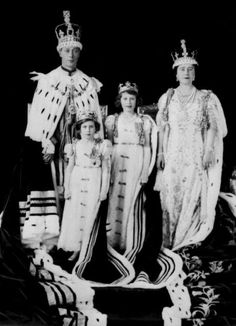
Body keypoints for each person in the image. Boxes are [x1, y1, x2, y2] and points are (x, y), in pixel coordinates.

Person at [21, 10, 104, 249]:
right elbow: (38, 119)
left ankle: (77, 238)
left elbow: (95, 120)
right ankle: (52, 235)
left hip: (80, 143)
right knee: (52, 178)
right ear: (59, 52)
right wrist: (47, 141)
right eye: (67, 50)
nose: (71, 54)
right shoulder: (47, 81)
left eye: (75, 50)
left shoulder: (87, 83)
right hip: (55, 142)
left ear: (80, 52)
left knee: (78, 185)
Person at [155, 39, 227, 250]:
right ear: (176, 74)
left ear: (194, 73)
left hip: (196, 153)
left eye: (189, 69)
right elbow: (163, 127)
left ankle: (187, 242)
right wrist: (160, 152)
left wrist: (209, 150)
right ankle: (169, 244)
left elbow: (213, 127)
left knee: (193, 194)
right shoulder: (167, 98)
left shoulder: (206, 97)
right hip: (174, 153)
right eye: (182, 69)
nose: (186, 73)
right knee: (171, 194)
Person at [105, 81, 158, 259]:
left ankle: (130, 242)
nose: (128, 102)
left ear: (137, 101)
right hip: (117, 163)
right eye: (125, 99)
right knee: (115, 201)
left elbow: (147, 148)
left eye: (132, 99)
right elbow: (109, 146)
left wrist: (145, 171)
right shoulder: (113, 121)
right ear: (120, 100)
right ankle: (112, 243)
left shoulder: (143, 122)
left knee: (132, 200)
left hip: (136, 161)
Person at [57, 109, 111, 262]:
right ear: (79, 129)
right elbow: (69, 168)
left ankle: (87, 248)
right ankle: (77, 248)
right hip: (77, 181)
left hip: (94, 180)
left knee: (90, 215)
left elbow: (106, 170)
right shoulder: (74, 146)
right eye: (85, 127)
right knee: (76, 215)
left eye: (91, 127)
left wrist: (103, 190)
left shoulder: (102, 146)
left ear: (96, 128)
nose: (88, 130)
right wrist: (67, 188)